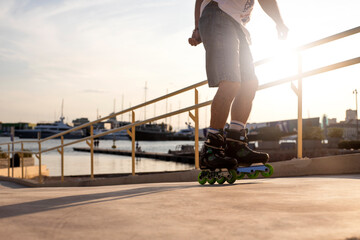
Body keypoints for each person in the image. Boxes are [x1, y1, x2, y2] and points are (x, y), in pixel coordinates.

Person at [189, 0, 288, 169]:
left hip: (237, 25)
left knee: (249, 83)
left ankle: (235, 143)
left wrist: (279, 22)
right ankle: (211, 150)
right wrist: (197, 28)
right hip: (217, 13)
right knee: (231, 81)